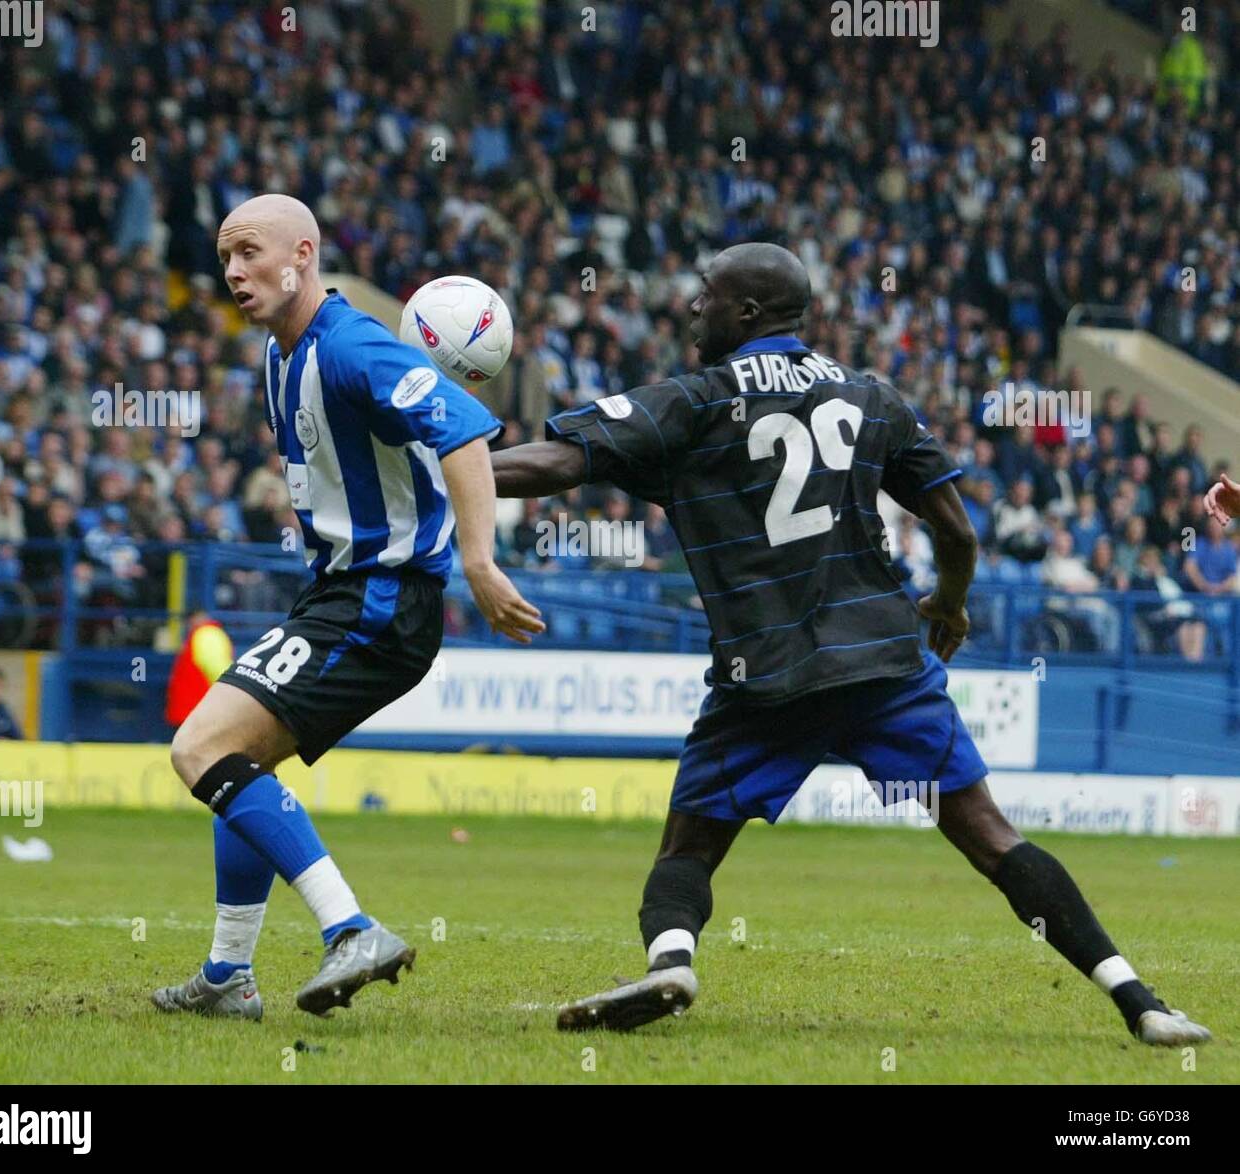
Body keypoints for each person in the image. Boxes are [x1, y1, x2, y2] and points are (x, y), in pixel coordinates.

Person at [490, 242, 1209, 1046]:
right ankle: (1141, 1002)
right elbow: (956, 531)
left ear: (748, 313)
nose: (692, 308)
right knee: (990, 836)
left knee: (688, 845)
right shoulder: (871, 396)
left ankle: (672, 960)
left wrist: (454, 473)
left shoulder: (691, 400)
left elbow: (557, 461)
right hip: (884, 662)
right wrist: (952, 606)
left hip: (765, 675)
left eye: (706, 296)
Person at [153, 194, 544, 1022]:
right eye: (225, 258)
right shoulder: (275, 353)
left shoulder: (354, 346)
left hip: (378, 599)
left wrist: (479, 559)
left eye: (249, 253)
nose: (232, 272)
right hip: (339, 591)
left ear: (302, 255)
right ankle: (228, 977)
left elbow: (467, 434)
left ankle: (351, 928)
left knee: (200, 745)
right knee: (238, 762)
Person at [165, 610, 234, 729]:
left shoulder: (206, 634)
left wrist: (227, 695)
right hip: (194, 707)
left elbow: (216, 667)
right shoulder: (207, 633)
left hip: (195, 706)